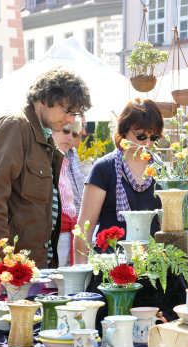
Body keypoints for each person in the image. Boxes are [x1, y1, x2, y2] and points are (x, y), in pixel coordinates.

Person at [0, 67, 91, 268]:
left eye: (76, 113)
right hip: (12, 269)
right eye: (68, 110)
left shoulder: (43, 135)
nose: (71, 119)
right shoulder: (15, 126)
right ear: (45, 98)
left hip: (32, 266)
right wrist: (3, 264)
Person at [73, 99, 163, 264]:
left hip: (152, 264)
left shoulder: (160, 169)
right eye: (141, 136)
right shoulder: (104, 168)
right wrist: (81, 272)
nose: (147, 143)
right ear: (125, 131)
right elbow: (85, 226)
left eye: (154, 137)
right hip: (111, 264)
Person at [53, 120, 84, 266]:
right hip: (54, 231)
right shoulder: (46, 159)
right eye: (66, 131)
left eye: (74, 134)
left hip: (71, 229)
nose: (70, 137)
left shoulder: (70, 154)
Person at [67, 115, 87, 214]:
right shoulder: (53, 155)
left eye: (84, 125)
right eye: (81, 126)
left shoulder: (73, 152)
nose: (84, 132)